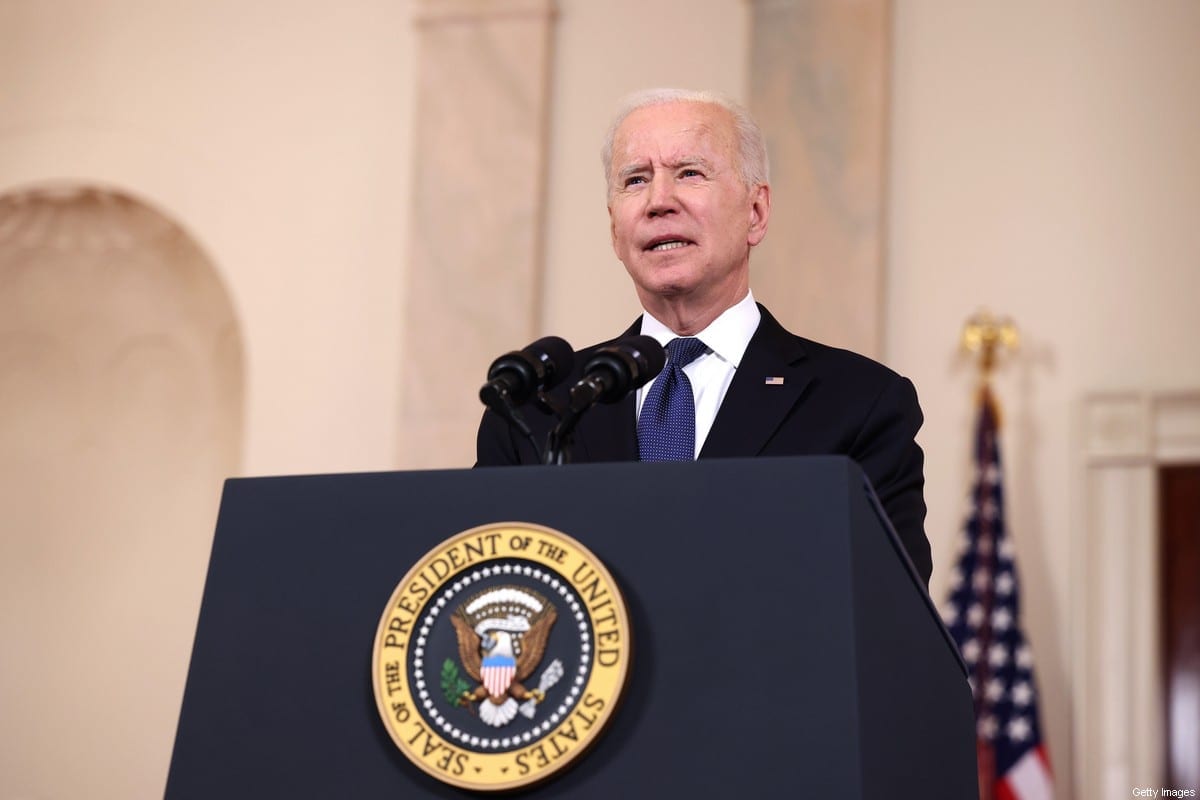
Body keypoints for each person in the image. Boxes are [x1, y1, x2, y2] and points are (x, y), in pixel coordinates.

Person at [476, 88, 931, 586]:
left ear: (755, 213)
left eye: (689, 173)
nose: (658, 201)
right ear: (615, 231)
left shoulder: (860, 404)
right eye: (636, 180)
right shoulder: (537, 411)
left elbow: (887, 613)